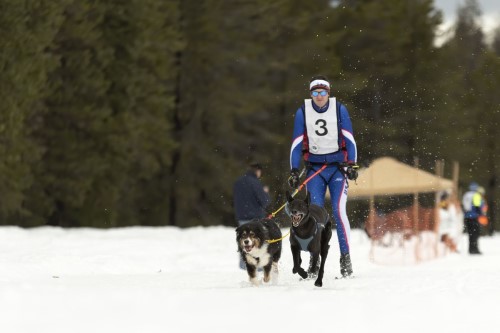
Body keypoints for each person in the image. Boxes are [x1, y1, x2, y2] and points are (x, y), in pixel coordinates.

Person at [288, 75, 358, 277]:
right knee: (315, 214)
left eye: (323, 92)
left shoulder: (339, 109)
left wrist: (353, 164)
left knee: (338, 211)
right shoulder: (303, 112)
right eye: (315, 92)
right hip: (314, 170)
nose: (319, 96)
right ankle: (314, 259)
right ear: (311, 94)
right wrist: (294, 169)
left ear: (329, 92)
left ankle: (345, 259)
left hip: (337, 168)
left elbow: (350, 139)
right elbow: (296, 143)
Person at [233, 163, 271, 269]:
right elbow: (265, 201)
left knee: (243, 240)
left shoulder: (238, 182)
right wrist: (265, 192)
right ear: (257, 171)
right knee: (256, 242)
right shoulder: (255, 183)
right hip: (255, 218)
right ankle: (258, 267)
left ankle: (243, 265)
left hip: (241, 217)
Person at [462, 182, 486, 254]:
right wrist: (481, 214)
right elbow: (477, 206)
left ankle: (470, 249)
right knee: (475, 233)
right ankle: (475, 249)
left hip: (467, 217)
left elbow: (463, 205)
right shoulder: (476, 195)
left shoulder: (466, 195)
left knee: (470, 234)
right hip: (474, 217)